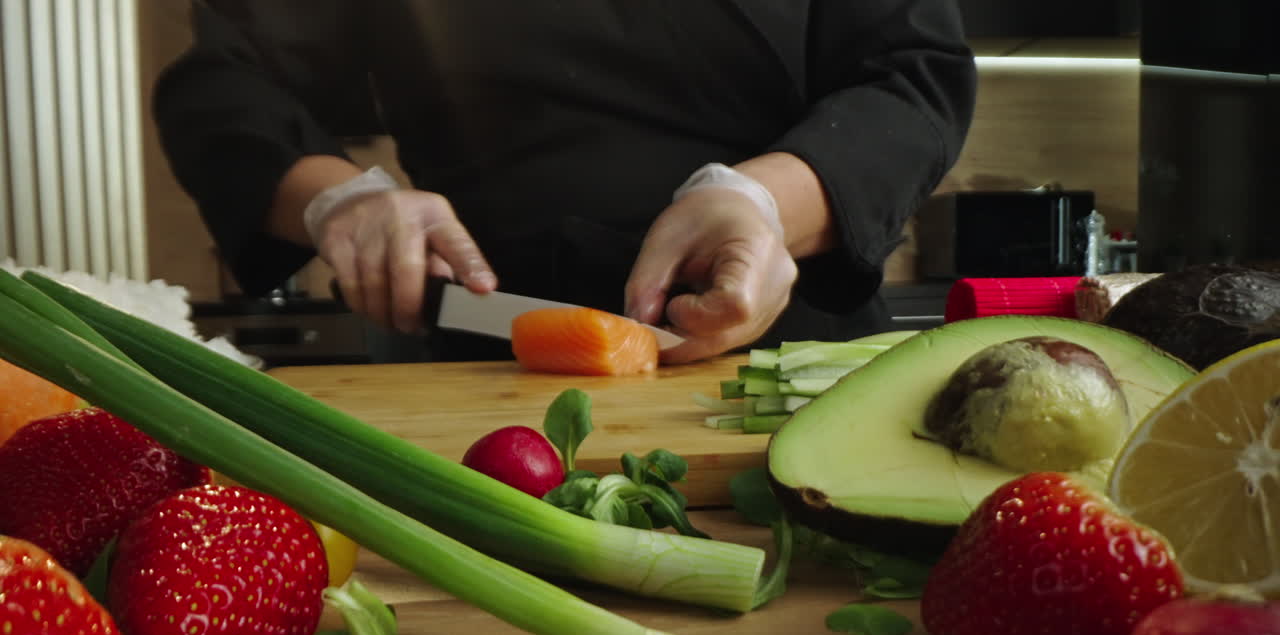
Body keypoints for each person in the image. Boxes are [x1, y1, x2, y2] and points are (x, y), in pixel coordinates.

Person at [155, 0, 977, 364]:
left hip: (791, 358)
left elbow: (914, 75)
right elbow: (224, 84)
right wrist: (344, 200)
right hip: (493, 367)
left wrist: (761, 200)